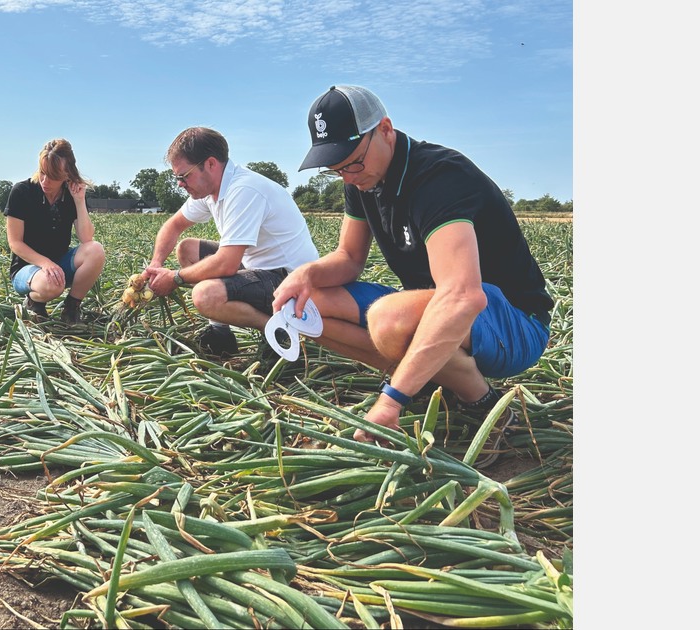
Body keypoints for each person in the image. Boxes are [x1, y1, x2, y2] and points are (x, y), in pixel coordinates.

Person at [273, 85, 553, 466]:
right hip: (445, 310)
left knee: (389, 320)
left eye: (353, 162)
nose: (348, 177)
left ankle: (486, 407)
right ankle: (430, 376)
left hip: (515, 321)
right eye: (336, 168)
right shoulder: (362, 178)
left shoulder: (439, 179)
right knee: (310, 304)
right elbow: (349, 257)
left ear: (385, 129)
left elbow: (463, 297)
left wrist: (391, 400)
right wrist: (307, 274)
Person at [141, 127, 319, 360]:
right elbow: (173, 225)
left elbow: (226, 263)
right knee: (187, 248)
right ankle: (220, 334)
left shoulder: (244, 190)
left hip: (290, 280)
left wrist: (175, 277)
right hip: (257, 268)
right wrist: (156, 265)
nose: (180, 184)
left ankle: (282, 333)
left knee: (204, 296)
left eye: (184, 176)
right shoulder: (209, 191)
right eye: (177, 178)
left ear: (211, 164)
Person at [4, 138, 106, 324]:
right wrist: (45, 263)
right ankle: (34, 301)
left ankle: (72, 307)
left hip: (59, 265)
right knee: (52, 284)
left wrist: (79, 200)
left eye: (53, 176)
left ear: (67, 174)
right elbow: (15, 243)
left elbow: (86, 238)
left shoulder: (70, 195)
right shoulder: (22, 191)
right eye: (43, 172)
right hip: (27, 269)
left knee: (96, 249)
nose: (45, 180)